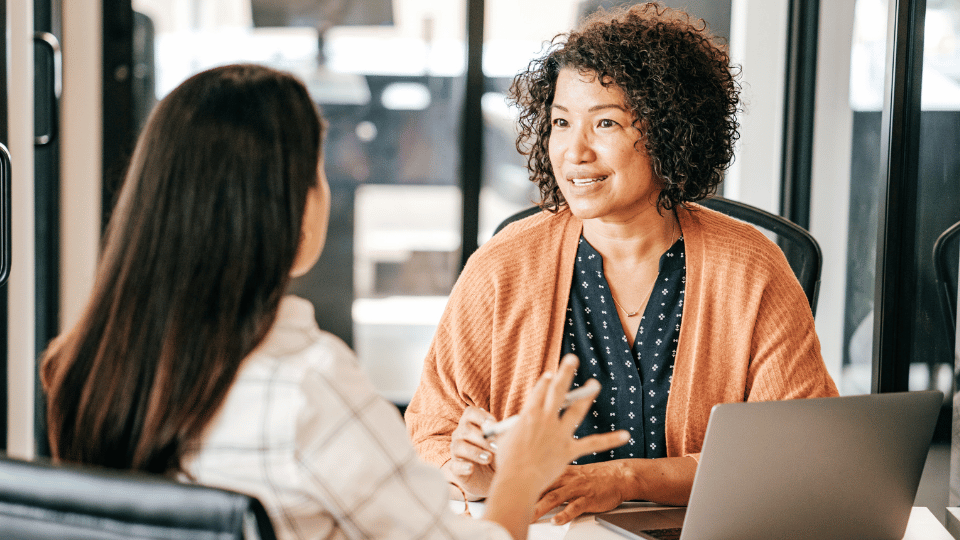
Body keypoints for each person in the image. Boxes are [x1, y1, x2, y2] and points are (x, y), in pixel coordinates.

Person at [40, 63, 627, 540]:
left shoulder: (84, 366)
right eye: (317, 173)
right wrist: (521, 475)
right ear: (287, 209)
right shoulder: (308, 387)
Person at [405, 2, 839, 526]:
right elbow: (431, 433)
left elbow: (793, 455)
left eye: (605, 122)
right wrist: (468, 470)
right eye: (561, 122)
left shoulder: (750, 266)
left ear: (668, 130)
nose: (574, 151)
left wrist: (628, 479)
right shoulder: (502, 266)